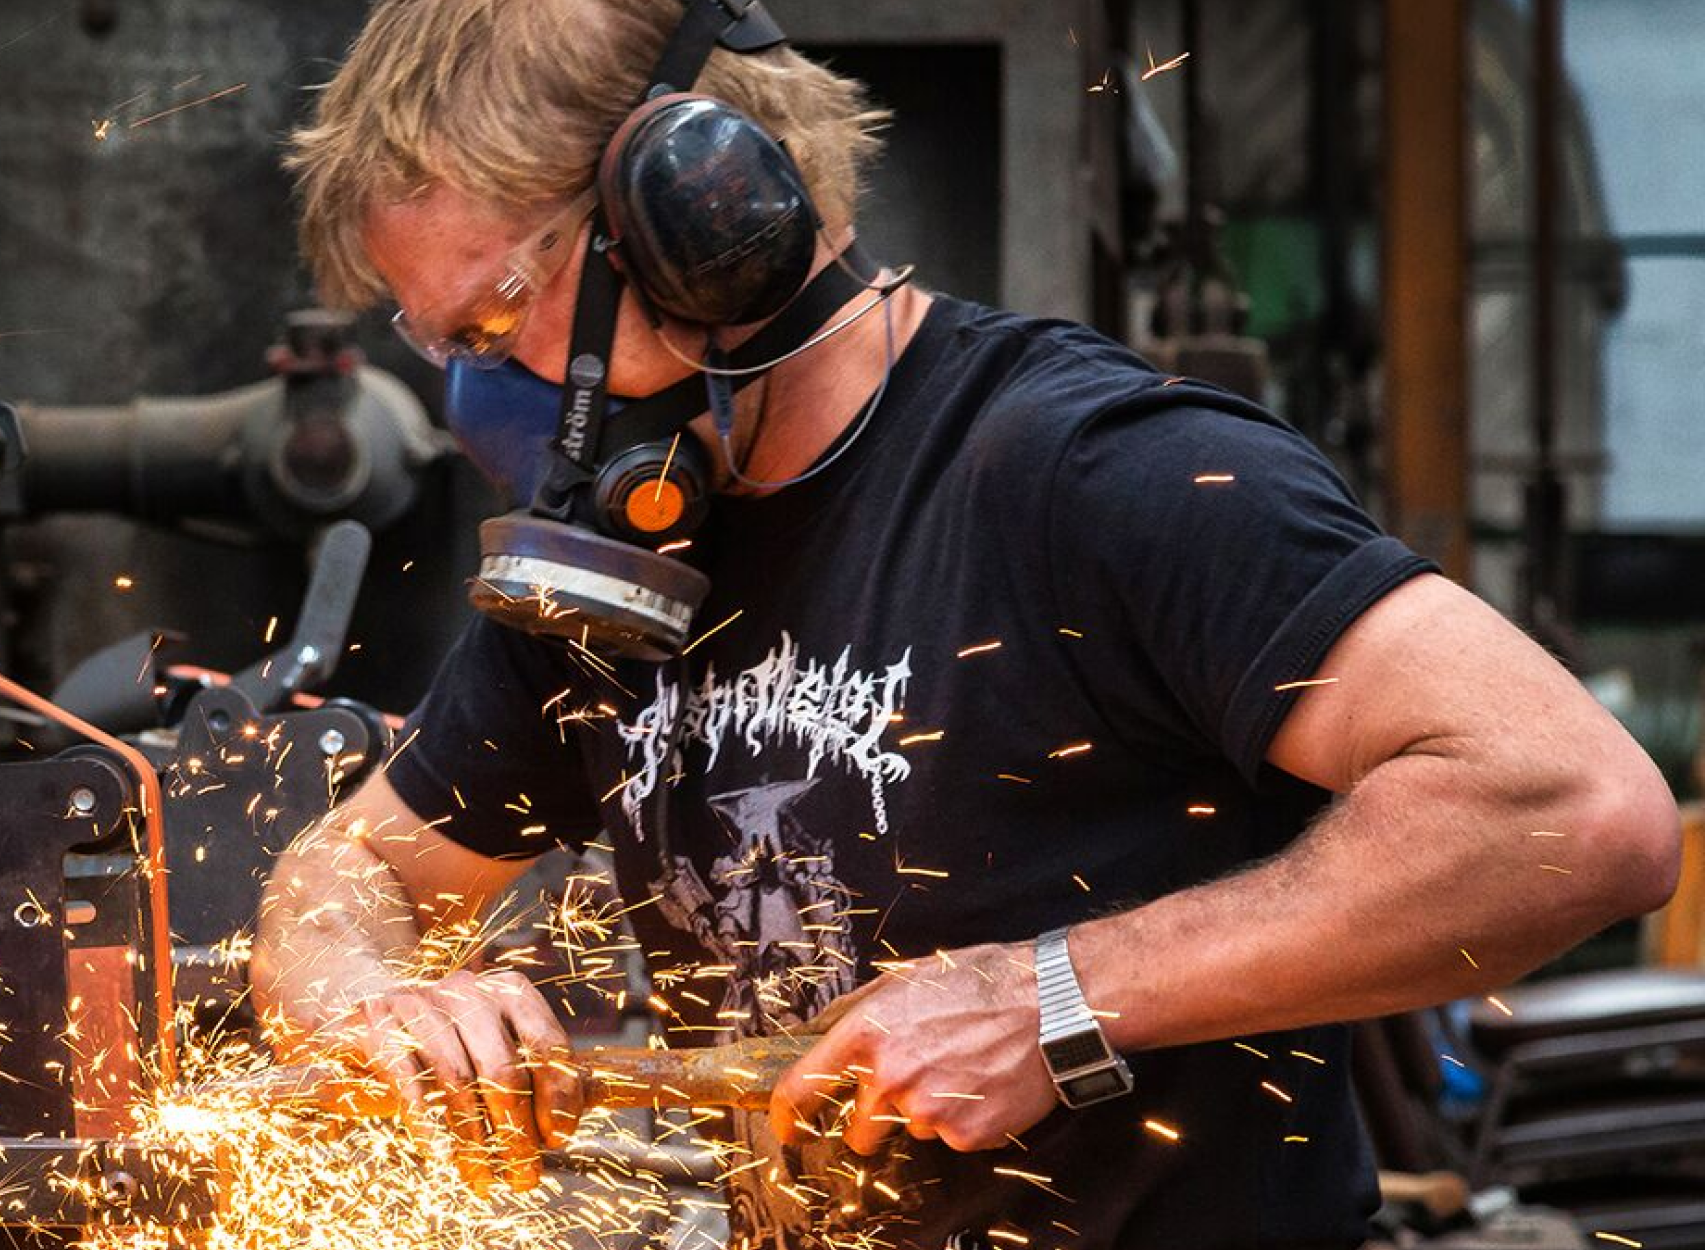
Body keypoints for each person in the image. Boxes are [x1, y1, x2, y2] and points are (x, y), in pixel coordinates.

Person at [252, 1, 1682, 1246]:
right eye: (447, 348)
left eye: (500, 321)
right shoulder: (620, 572)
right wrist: (371, 997)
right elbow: (339, 874)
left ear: (700, 217)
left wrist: (1058, 999)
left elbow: (1577, 806)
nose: (478, 397)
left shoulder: (1086, 474)